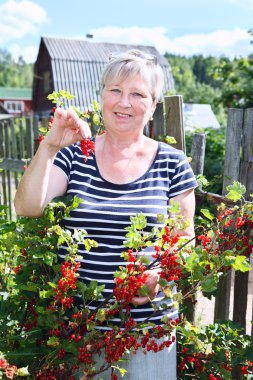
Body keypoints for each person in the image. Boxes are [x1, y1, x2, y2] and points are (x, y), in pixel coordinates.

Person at [14, 50, 197, 379]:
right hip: (79, 334)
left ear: (152, 105)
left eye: (137, 94)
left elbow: (184, 240)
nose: (124, 102)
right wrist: (50, 146)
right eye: (115, 90)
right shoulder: (75, 157)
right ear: (101, 96)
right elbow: (28, 206)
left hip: (146, 334)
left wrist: (159, 275)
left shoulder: (172, 163)